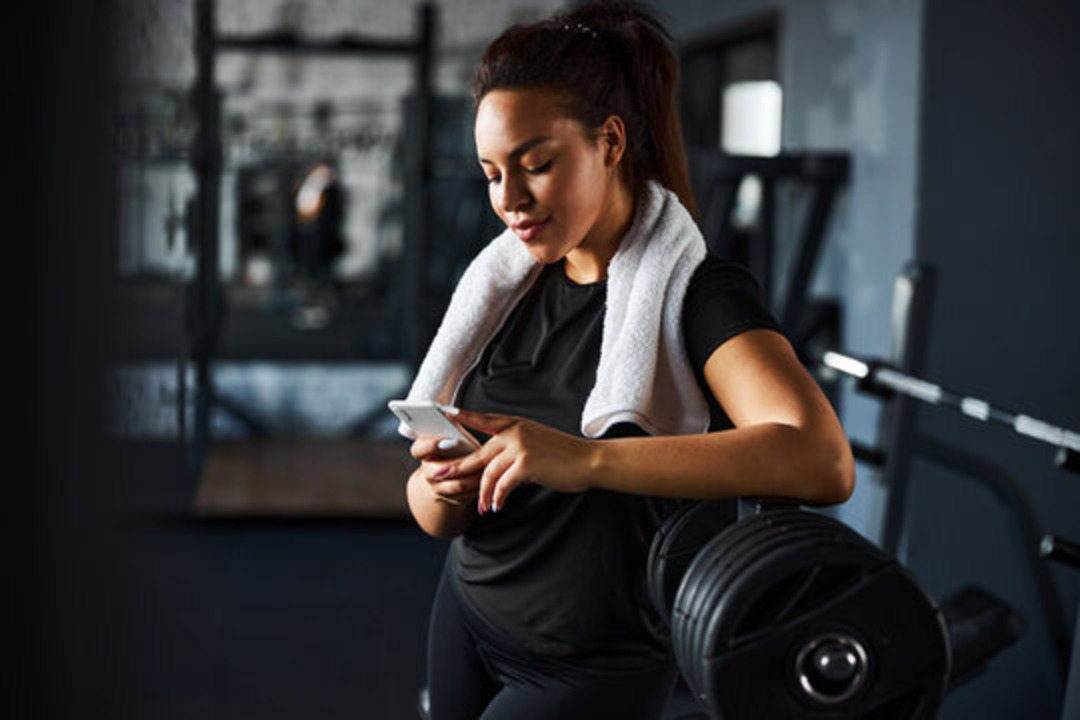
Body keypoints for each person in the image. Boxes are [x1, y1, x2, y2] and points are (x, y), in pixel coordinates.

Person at [402, 3, 854, 718]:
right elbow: (435, 514)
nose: (509, 200)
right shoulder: (504, 285)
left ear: (609, 142)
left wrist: (585, 460)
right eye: (491, 174)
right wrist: (445, 488)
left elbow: (821, 460)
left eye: (536, 165)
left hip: (590, 665)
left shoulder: (697, 295)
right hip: (467, 615)